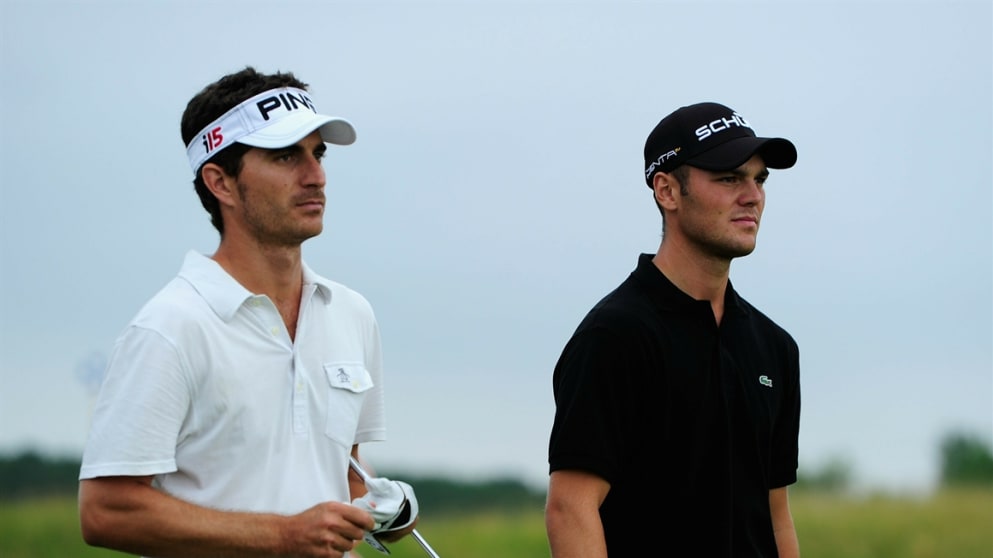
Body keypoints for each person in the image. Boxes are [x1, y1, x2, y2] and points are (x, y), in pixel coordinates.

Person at [78, 67, 416, 558]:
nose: (315, 175)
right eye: (285, 156)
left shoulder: (351, 313)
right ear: (221, 183)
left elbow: (343, 473)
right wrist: (283, 536)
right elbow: (104, 511)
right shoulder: (171, 326)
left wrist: (380, 511)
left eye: (317, 153)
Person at [545, 102, 801, 557]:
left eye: (759, 179)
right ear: (667, 190)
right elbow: (571, 509)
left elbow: (775, 515)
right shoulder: (614, 336)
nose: (753, 195)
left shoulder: (775, 347)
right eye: (729, 178)